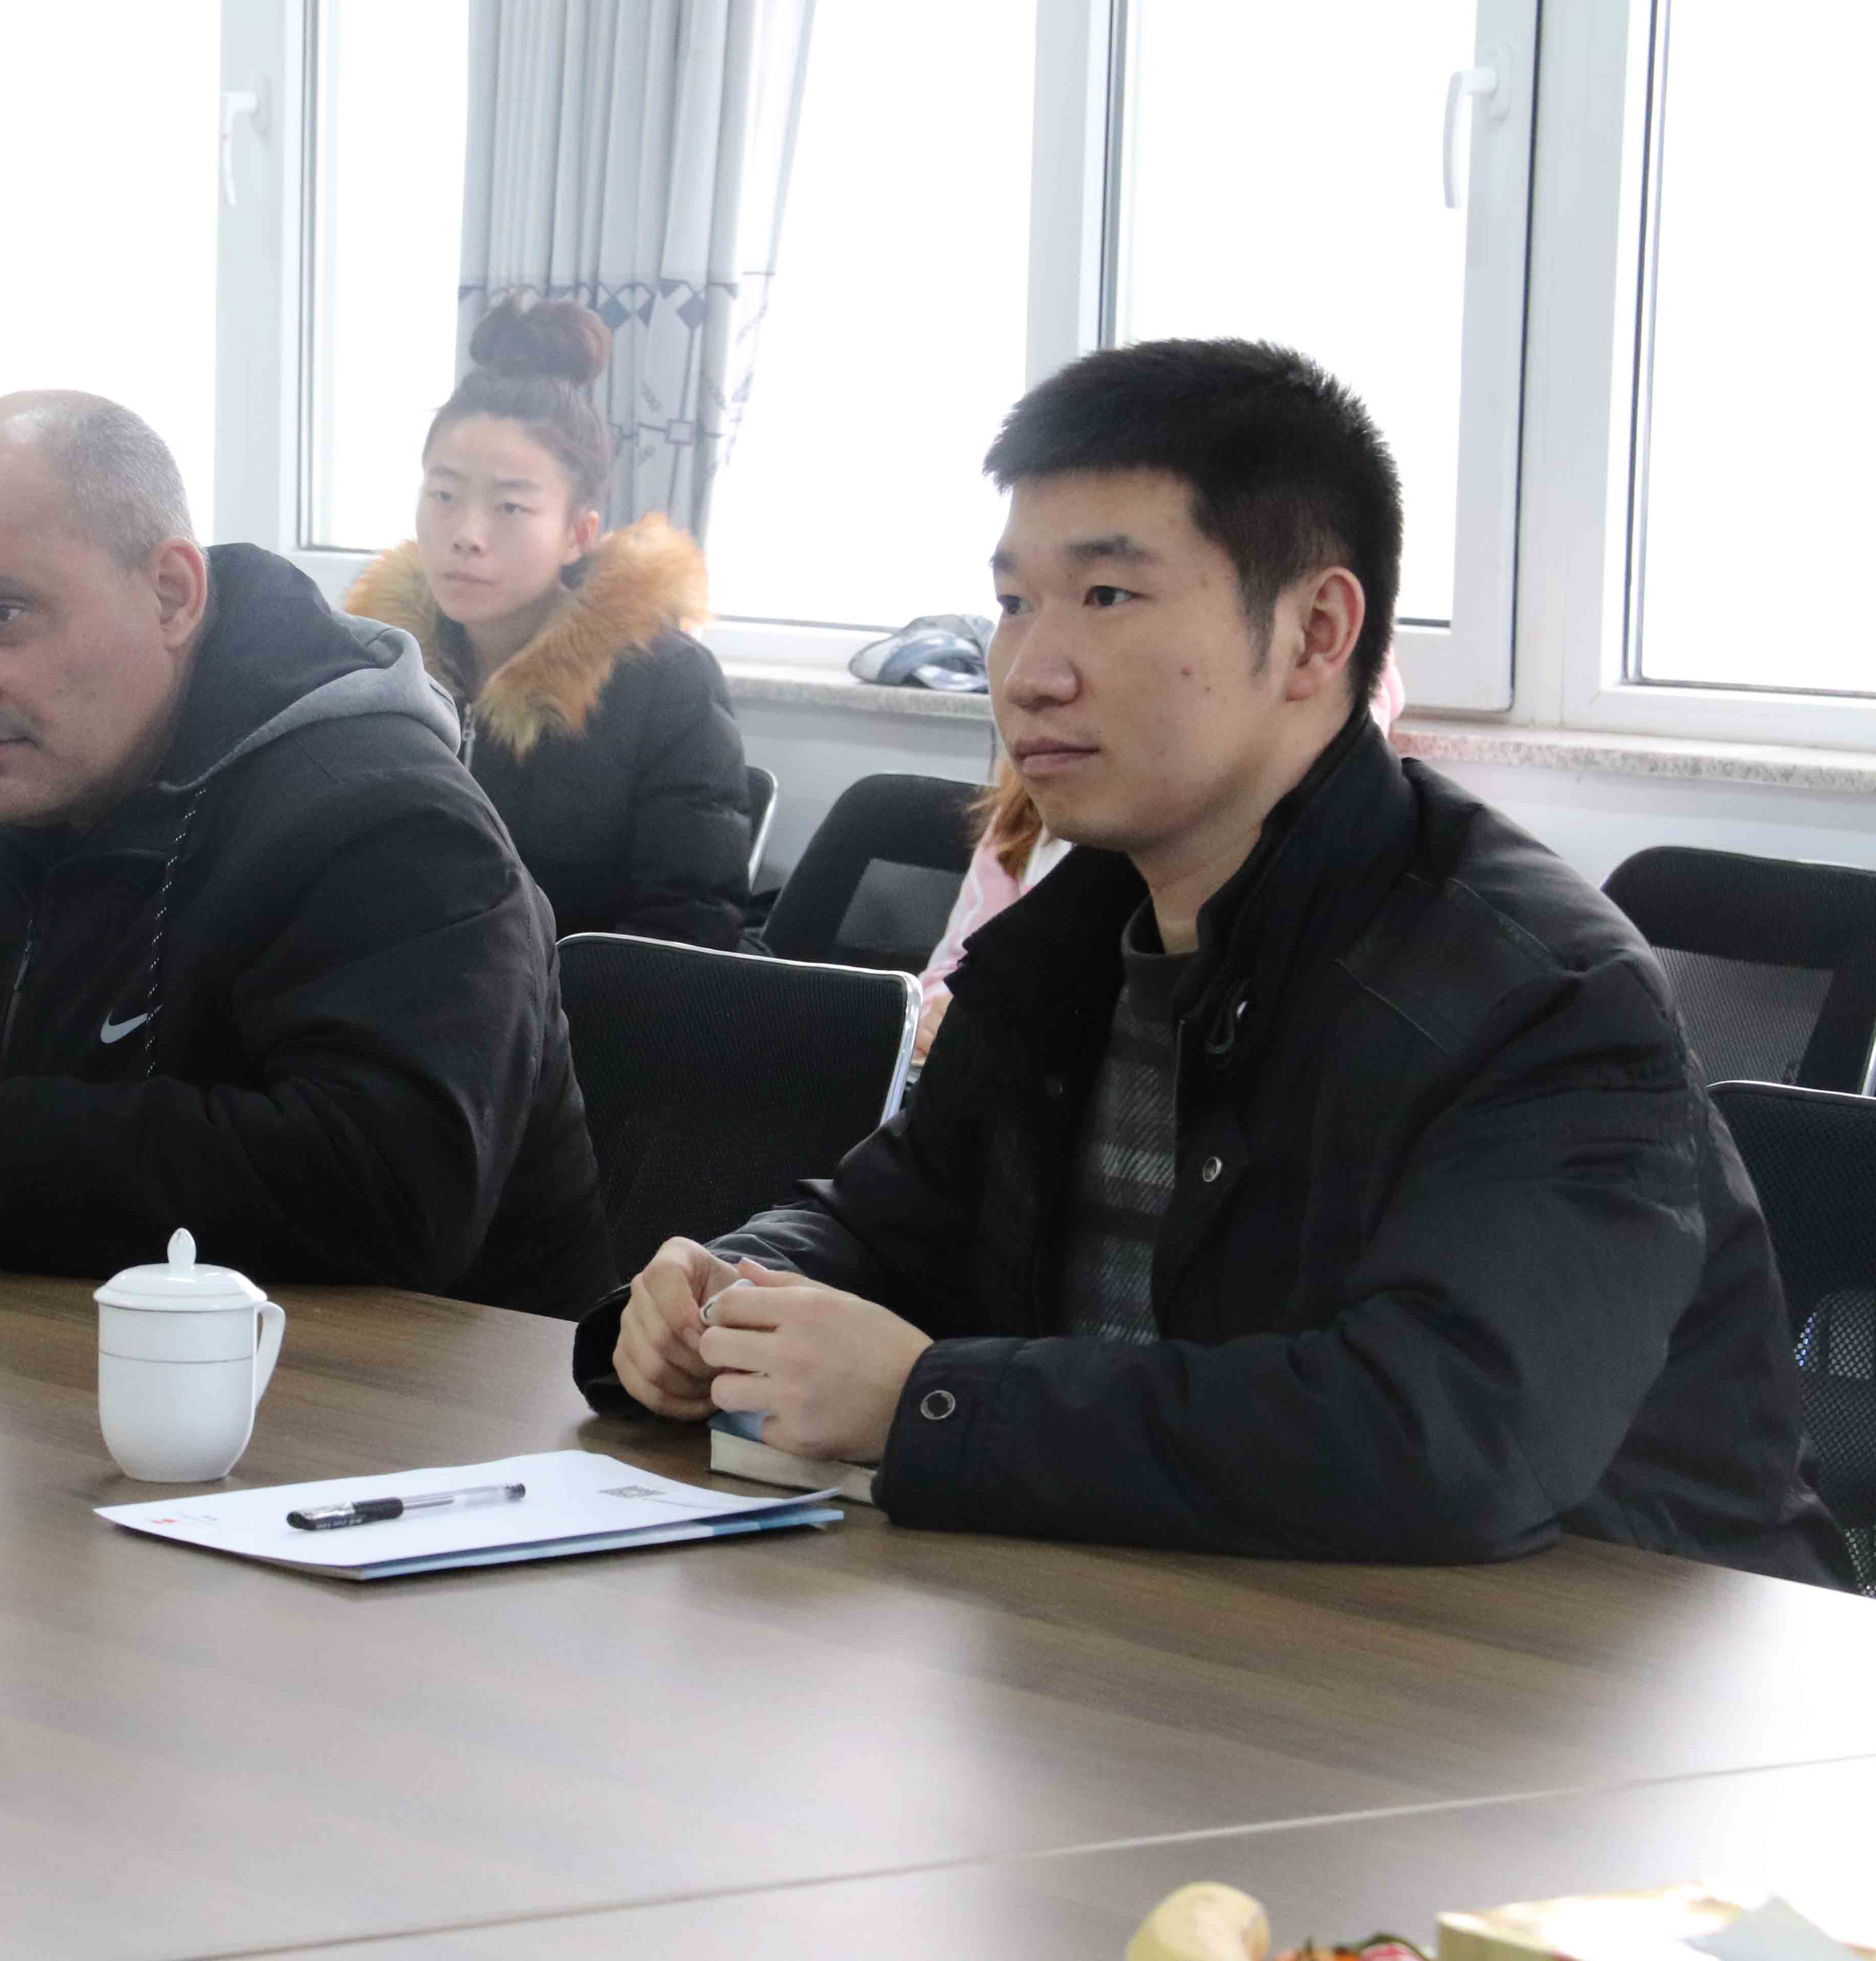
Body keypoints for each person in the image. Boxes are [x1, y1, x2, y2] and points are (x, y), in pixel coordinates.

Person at [580, 338, 1846, 1585]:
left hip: (1590, 1668)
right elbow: (893, 1218)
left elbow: (1446, 1433)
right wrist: (729, 1291)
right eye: (1014, 603)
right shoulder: (1069, 941)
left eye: (1107, 596)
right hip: (1186, 1625)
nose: (1029, 673)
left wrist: (927, 1399)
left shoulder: (1539, 998)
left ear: (1315, 632)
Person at [0, 391, 611, 1317]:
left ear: (171, 594)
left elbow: (389, 1186)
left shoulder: (389, 820)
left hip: (404, 1393)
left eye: (1, 615)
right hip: (61, 1357)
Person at [344, 297, 749, 949]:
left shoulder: (665, 681)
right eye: (443, 495)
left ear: (577, 534)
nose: (466, 534)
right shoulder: (378, 665)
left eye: (510, 507)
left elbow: (688, 931)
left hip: (584, 1006)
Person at [913, 656, 1408, 1062]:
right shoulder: (1027, 815)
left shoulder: (1304, 838)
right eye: (1014, 605)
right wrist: (946, 1010)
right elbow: (951, 973)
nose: (1030, 687)